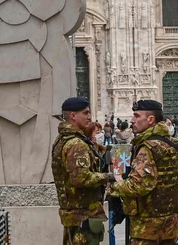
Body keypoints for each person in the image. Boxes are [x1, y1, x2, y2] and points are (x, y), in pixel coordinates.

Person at [108, 100, 178, 245]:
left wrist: (116, 185)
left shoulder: (147, 148)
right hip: (170, 229)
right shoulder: (176, 145)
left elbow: (139, 186)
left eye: (136, 116)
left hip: (146, 230)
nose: (132, 120)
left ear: (150, 120)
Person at [51, 97, 115, 245]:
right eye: (85, 113)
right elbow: (81, 178)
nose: (89, 117)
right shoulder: (76, 144)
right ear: (73, 116)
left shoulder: (62, 140)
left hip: (74, 215)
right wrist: (108, 177)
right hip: (83, 215)